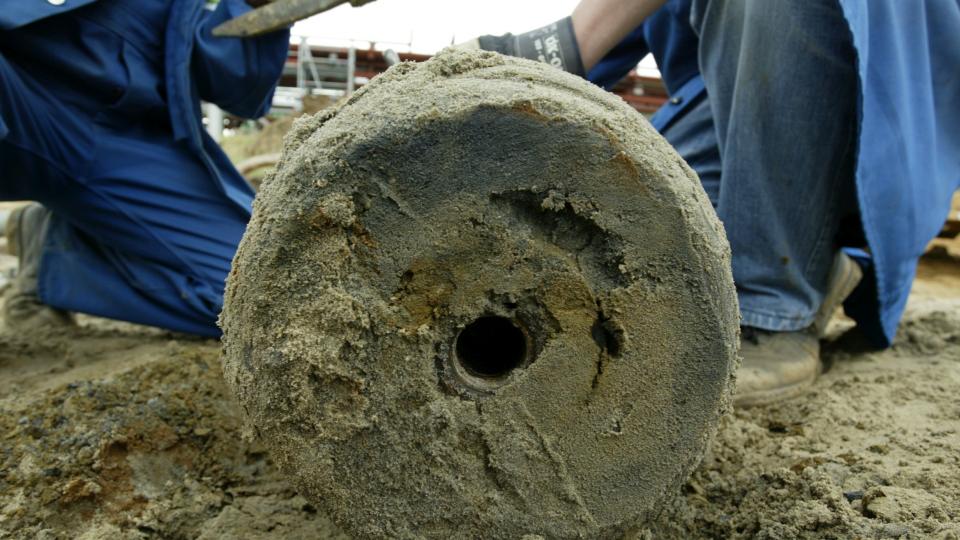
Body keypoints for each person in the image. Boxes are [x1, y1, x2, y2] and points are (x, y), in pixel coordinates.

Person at [468, 0, 960, 405]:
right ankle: (815, 260)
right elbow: (586, 61)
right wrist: (504, 68)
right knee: (633, 219)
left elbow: (581, 40)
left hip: (867, 100)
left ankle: (774, 307)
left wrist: (554, 45)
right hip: (727, 114)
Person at [0, 0, 290, 336]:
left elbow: (228, 81)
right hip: (16, 97)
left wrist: (252, 5)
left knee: (272, 292)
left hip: (126, 140)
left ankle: (55, 252)